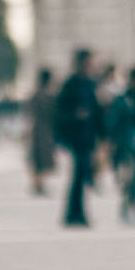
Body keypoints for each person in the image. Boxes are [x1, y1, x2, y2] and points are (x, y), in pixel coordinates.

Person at [54, 48, 102, 227]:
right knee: (79, 176)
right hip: (76, 138)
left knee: (82, 176)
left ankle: (76, 213)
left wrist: (101, 136)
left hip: (87, 137)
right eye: (90, 62)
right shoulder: (71, 85)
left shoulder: (89, 84)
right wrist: (76, 115)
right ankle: (74, 214)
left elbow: (96, 112)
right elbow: (60, 113)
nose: (92, 66)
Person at [105, 67, 135, 225]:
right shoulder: (123, 99)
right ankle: (126, 210)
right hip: (125, 144)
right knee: (129, 178)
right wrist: (112, 142)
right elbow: (113, 121)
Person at [25, 68, 57, 196]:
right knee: (41, 158)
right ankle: (38, 184)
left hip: (37, 129)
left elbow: (29, 114)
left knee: (36, 158)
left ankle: (37, 184)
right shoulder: (48, 97)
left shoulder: (35, 95)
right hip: (44, 130)